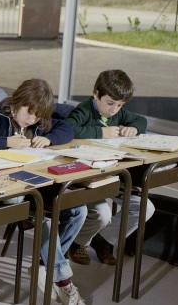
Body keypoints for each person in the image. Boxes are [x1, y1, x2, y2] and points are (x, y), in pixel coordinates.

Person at [0, 79, 89, 305]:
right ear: (18, 101)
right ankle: (63, 281)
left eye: (38, 116)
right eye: (29, 113)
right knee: (47, 218)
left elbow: (68, 126)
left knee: (79, 210)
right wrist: (6, 142)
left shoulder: (40, 120)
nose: (32, 120)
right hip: (5, 190)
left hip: (35, 184)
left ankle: (44, 266)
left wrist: (50, 139)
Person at [65, 69, 154, 266]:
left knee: (145, 208)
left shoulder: (118, 112)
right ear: (96, 94)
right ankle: (78, 242)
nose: (114, 110)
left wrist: (135, 128)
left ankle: (103, 240)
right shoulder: (84, 110)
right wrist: (100, 132)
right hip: (88, 178)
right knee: (102, 214)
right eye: (110, 103)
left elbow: (141, 120)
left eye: (120, 105)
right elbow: (68, 129)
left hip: (114, 176)